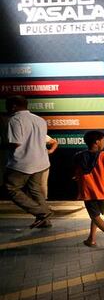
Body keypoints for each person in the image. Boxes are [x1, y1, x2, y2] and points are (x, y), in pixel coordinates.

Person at [3, 96, 58, 228]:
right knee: (35, 190)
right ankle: (45, 220)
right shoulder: (39, 120)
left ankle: (43, 213)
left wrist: (3, 146)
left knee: (11, 188)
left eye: (8, 104)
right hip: (41, 162)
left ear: (14, 106)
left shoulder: (15, 120)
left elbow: (16, 143)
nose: (6, 107)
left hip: (22, 163)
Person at [74, 131, 104, 250]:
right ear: (97, 142)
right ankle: (92, 238)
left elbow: (76, 174)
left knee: (95, 216)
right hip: (102, 191)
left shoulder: (78, 156)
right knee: (95, 215)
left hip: (88, 192)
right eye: (103, 140)